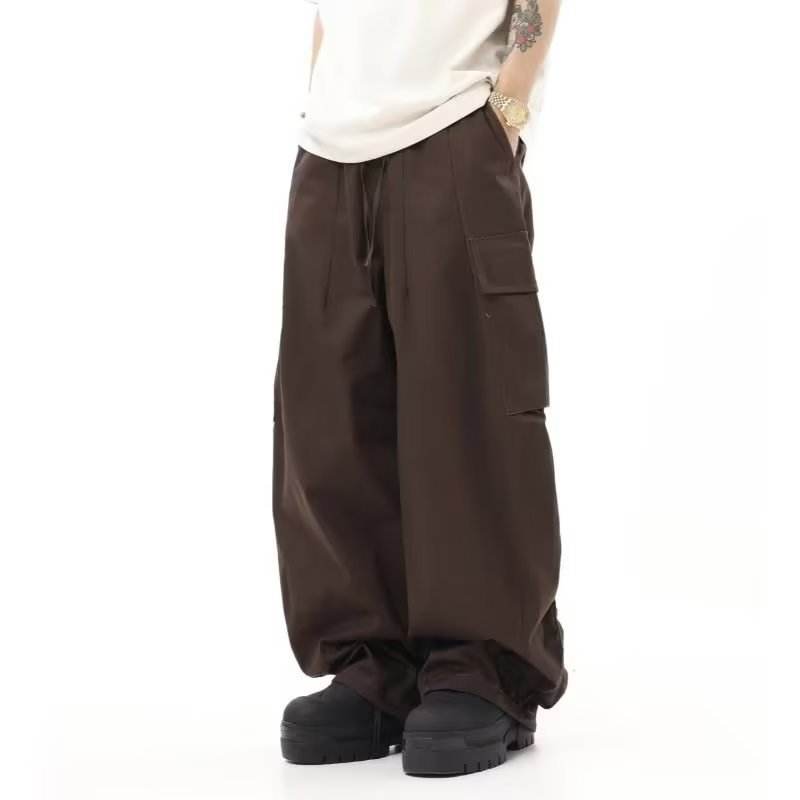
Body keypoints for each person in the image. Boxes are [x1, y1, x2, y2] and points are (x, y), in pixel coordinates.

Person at [273, 0, 565, 777]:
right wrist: (323, 96)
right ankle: (375, 666)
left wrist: (509, 105)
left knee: (467, 412)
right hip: (330, 143)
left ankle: (484, 667)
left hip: (453, 124)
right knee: (329, 416)